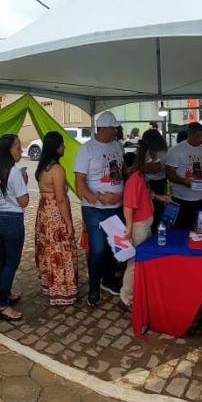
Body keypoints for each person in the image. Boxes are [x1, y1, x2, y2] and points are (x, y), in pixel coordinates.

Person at [74, 111, 125, 305]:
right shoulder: (86, 150)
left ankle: (109, 281)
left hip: (117, 206)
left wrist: (119, 195)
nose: (116, 131)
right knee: (97, 249)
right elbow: (79, 182)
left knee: (115, 247)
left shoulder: (117, 146)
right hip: (94, 209)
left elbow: (121, 174)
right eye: (113, 128)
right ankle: (94, 286)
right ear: (102, 128)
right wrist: (97, 198)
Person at [120, 142, 171, 310]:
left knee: (142, 261)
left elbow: (145, 194)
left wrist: (158, 197)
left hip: (144, 223)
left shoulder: (141, 177)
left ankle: (137, 293)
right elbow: (128, 205)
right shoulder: (135, 180)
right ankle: (126, 298)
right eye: (152, 160)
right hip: (138, 226)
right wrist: (129, 228)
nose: (157, 165)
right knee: (134, 263)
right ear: (145, 160)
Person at [0, 134, 28, 322]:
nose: (20, 151)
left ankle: (6, 293)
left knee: (2, 259)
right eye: (17, 148)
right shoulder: (14, 172)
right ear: (8, 150)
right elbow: (24, 201)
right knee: (11, 262)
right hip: (12, 220)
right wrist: (24, 184)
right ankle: (3, 305)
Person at [35, 132, 78, 306]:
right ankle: (61, 289)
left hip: (44, 213)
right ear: (56, 147)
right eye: (62, 145)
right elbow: (60, 199)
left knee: (48, 250)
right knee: (60, 251)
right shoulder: (57, 170)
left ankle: (49, 285)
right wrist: (68, 222)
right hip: (55, 215)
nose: (64, 148)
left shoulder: (42, 168)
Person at [165, 121, 202, 230]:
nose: (200, 139)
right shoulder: (176, 150)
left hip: (199, 198)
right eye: (197, 136)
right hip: (181, 198)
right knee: (180, 230)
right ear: (189, 135)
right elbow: (169, 174)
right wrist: (183, 181)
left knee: (197, 229)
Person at [140, 128, 168, 230]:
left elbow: (151, 168)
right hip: (161, 181)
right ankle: (158, 228)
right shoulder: (165, 150)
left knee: (150, 207)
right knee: (159, 207)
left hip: (149, 182)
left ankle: (152, 228)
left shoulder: (151, 152)